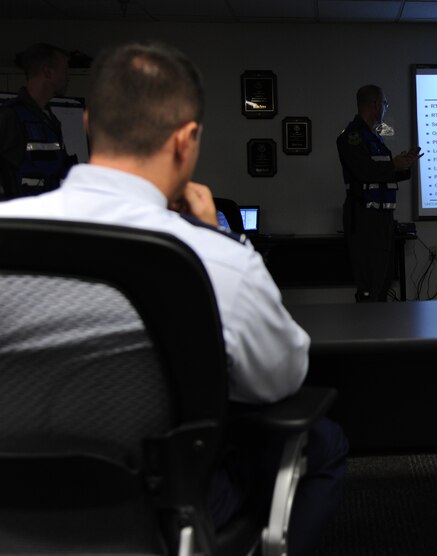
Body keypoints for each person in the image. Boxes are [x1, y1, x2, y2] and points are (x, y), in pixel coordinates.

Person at [0, 41, 347, 555]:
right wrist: (224, 240)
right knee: (324, 444)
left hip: (10, 506)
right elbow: (281, 376)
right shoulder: (216, 259)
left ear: (90, 123)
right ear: (186, 141)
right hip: (159, 512)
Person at [337, 84, 421, 302]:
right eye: (384, 103)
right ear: (375, 104)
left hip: (381, 218)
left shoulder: (375, 137)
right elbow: (363, 171)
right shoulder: (352, 137)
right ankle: (366, 329)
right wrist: (394, 165)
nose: (385, 108)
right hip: (364, 217)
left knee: (383, 280)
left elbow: (381, 173)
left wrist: (404, 165)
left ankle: (379, 328)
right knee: (369, 281)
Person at [0, 43, 77, 198]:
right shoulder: (12, 116)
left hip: (47, 212)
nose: (67, 77)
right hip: (22, 217)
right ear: (48, 72)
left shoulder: (49, 118)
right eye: (65, 70)